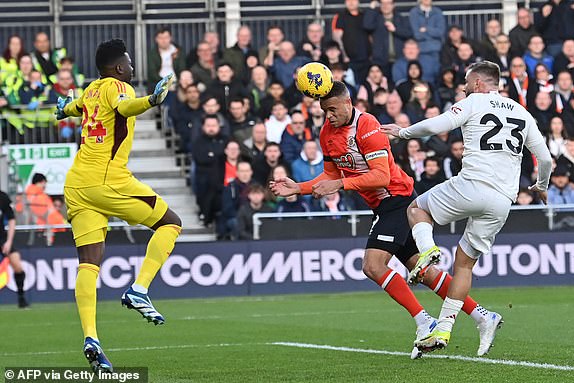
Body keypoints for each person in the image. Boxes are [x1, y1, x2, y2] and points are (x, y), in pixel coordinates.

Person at [271, 81, 504, 358]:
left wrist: (341, 185)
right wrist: (300, 187)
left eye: (333, 109)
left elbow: (380, 176)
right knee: (425, 272)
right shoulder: (326, 133)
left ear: (348, 103)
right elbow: (330, 175)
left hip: (398, 200)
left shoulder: (367, 125)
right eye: (324, 111)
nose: (329, 116)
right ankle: (482, 316)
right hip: (383, 205)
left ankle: (424, 321)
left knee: (372, 265)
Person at [381, 61, 552, 354]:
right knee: (464, 264)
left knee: (416, 210)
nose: (462, 87)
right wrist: (541, 186)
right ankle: (444, 329)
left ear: (477, 84)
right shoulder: (523, 113)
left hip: (473, 184)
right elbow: (546, 158)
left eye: (465, 82)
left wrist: (404, 133)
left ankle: (428, 251)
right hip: (502, 201)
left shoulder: (475, 101)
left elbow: (439, 124)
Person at [55, 39, 181, 372]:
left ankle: (91, 336)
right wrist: (152, 100)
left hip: (77, 185)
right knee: (170, 222)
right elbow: (125, 107)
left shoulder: (91, 89)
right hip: (107, 180)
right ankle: (139, 289)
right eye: (128, 62)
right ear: (118, 68)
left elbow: (72, 107)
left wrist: (62, 108)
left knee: (89, 262)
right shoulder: (115, 86)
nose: (132, 67)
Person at [363, 0, 412, 79]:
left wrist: (395, 30)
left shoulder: (401, 19)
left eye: (388, 3)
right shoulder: (376, 19)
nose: (385, 6)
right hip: (380, 61)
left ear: (393, 5)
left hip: (398, 60)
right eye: (383, 3)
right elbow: (367, 25)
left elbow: (409, 33)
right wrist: (371, 8)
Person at [331, 0, 371, 84]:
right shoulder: (340, 17)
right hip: (349, 60)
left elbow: (371, 36)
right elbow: (337, 38)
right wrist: (344, 55)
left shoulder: (365, 16)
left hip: (366, 59)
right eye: (348, 0)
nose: (351, 2)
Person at [0, 190, 28, 308]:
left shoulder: (2, 197)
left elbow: (11, 219)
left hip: (2, 238)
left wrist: (9, 241)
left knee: (17, 265)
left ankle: (21, 298)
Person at [408, 0, 446, 85]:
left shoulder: (438, 12)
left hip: (437, 50)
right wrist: (432, 33)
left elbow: (440, 32)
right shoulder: (414, 12)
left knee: (438, 77)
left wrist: (426, 29)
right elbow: (417, 35)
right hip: (422, 51)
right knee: (425, 78)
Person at [219, 161, 254, 240]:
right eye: (242, 171)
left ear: (251, 172)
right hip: (235, 217)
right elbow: (227, 208)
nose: (245, 174)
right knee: (236, 223)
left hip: (253, 216)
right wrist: (242, 217)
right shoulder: (230, 187)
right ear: (237, 173)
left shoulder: (256, 186)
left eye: (247, 171)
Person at [146, 27, 186, 93]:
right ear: (156, 39)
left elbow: (182, 68)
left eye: (166, 37)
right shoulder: (152, 53)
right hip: (158, 83)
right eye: (161, 38)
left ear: (170, 38)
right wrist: (166, 84)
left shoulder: (178, 51)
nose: (163, 40)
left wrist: (177, 83)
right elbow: (152, 73)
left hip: (177, 82)